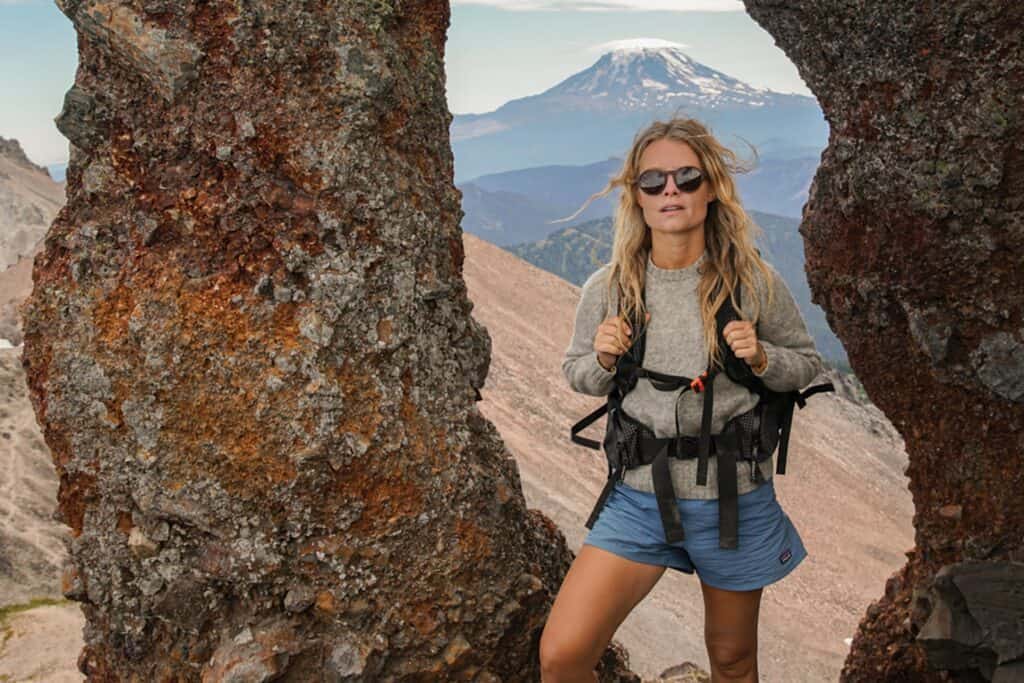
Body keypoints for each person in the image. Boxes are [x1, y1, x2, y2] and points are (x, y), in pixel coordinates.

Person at [538, 116, 824, 683]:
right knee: (562, 655)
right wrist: (600, 358)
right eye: (653, 181)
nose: (670, 190)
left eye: (687, 177)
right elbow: (578, 375)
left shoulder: (753, 282)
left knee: (733, 661)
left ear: (711, 188)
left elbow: (808, 366)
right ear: (636, 197)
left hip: (733, 499)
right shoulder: (611, 287)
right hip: (639, 496)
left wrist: (764, 359)